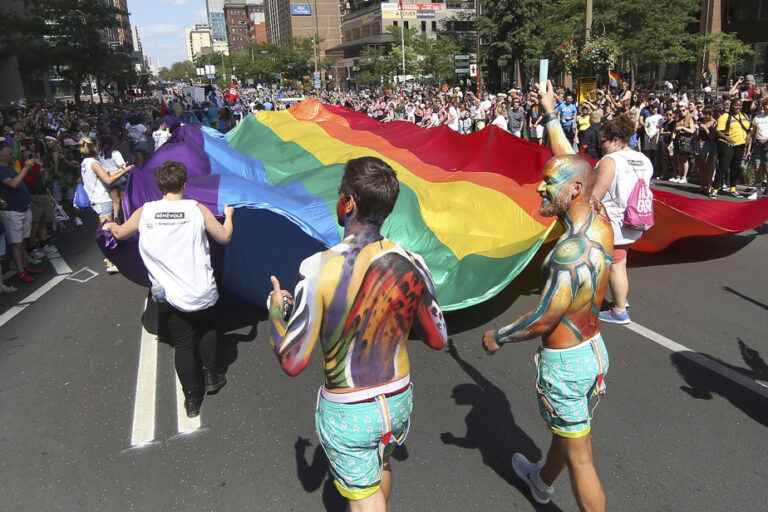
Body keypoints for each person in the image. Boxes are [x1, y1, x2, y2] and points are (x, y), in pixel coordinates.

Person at [267, 156, 448, 512]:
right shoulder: (413, 261)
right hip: (397, 399)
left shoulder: (318, 269)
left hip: (350, 408)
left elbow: (292, 360)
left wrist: (275, 311)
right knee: (380, 464)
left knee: (364, 498)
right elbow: (439, 338)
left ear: (348, 202)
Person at [481, 80, 612, 512]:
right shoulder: (598, 218)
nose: (540, 187)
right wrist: (551, 112)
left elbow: (542, 318)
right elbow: (574, 164)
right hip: (593, 351)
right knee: (569, 432)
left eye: (548, 182)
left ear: (573, 190)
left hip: (568, 363)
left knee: (583, 459)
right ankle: (540, 480)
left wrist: (499, 335)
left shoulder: (569, 256)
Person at [103, 161, 234, 418]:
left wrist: (108, 226)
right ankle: (212, 377)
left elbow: (119, 234)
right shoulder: (197, 209)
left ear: (160, 186)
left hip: (170, 295)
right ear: (184, 184)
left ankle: (192, 400)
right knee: (206, 330)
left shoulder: (145, 212)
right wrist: (229, 216)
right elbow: (224, 238)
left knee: (183, 344)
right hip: (201, 289)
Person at [592, 115, 654, 324]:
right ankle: (620, 299)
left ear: (616, 139)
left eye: (603, 142)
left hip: (614, 222)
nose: (600, 146)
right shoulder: (643, 159)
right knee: (619, 261)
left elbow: (595, 197)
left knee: (616, 265)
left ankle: (619, 310)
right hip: (636, 218)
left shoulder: (610, 161)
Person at [79, 137, 132, 273]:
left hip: (95, 199)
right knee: (107, 232)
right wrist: (125, 171)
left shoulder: (85, 162)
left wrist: (122, 170)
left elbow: (106, 174)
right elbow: (108, 180)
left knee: (104, 229)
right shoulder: (94, 163)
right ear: (93, 147)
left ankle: (109, 257)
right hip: (102, 199)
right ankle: (111, 261)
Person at [0, 145, 43, 284]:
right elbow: (14, 184)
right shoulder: (1, 170)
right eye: (9, 154)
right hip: (13, 212)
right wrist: (26, 168)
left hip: (23, 208)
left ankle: (25, 265)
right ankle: (21, 271)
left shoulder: (10, 167)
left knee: (23, 240)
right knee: (17, 244)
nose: (13, 156)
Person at [715, 99, 751, 197]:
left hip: (741, 146)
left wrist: (748, 137)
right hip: (728, 145)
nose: (737, 107)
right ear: (731, 106)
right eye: (735, 105)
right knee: (723, 167)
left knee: (736, 168)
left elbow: (748, 130)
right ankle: (715, 188)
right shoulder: (725, 116)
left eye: (739, 105)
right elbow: (718, 131)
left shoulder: (744, 116)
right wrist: (727, 138)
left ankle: (733, 189)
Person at [748, 97, 768, 196]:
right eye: (766, 104)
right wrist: (748, 150)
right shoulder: (757, 118)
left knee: (767, 168)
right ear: (763, 106)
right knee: (757, 168)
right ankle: (758, 190)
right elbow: (753, 134)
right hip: (758, 145)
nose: (767, 106)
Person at [671, 108, 696, 183]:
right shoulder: (678, 119)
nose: (681, 112)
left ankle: (684, 177)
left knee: (684, 159)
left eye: (683, 110)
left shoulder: (690, 118)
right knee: (679, 159)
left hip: (686, 140)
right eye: (680, 110)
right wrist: (672, 140)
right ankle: (680, 175)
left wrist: (682, 128)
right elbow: (674, 131)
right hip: (678, 140)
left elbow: (692, 130)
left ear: (687, 110)